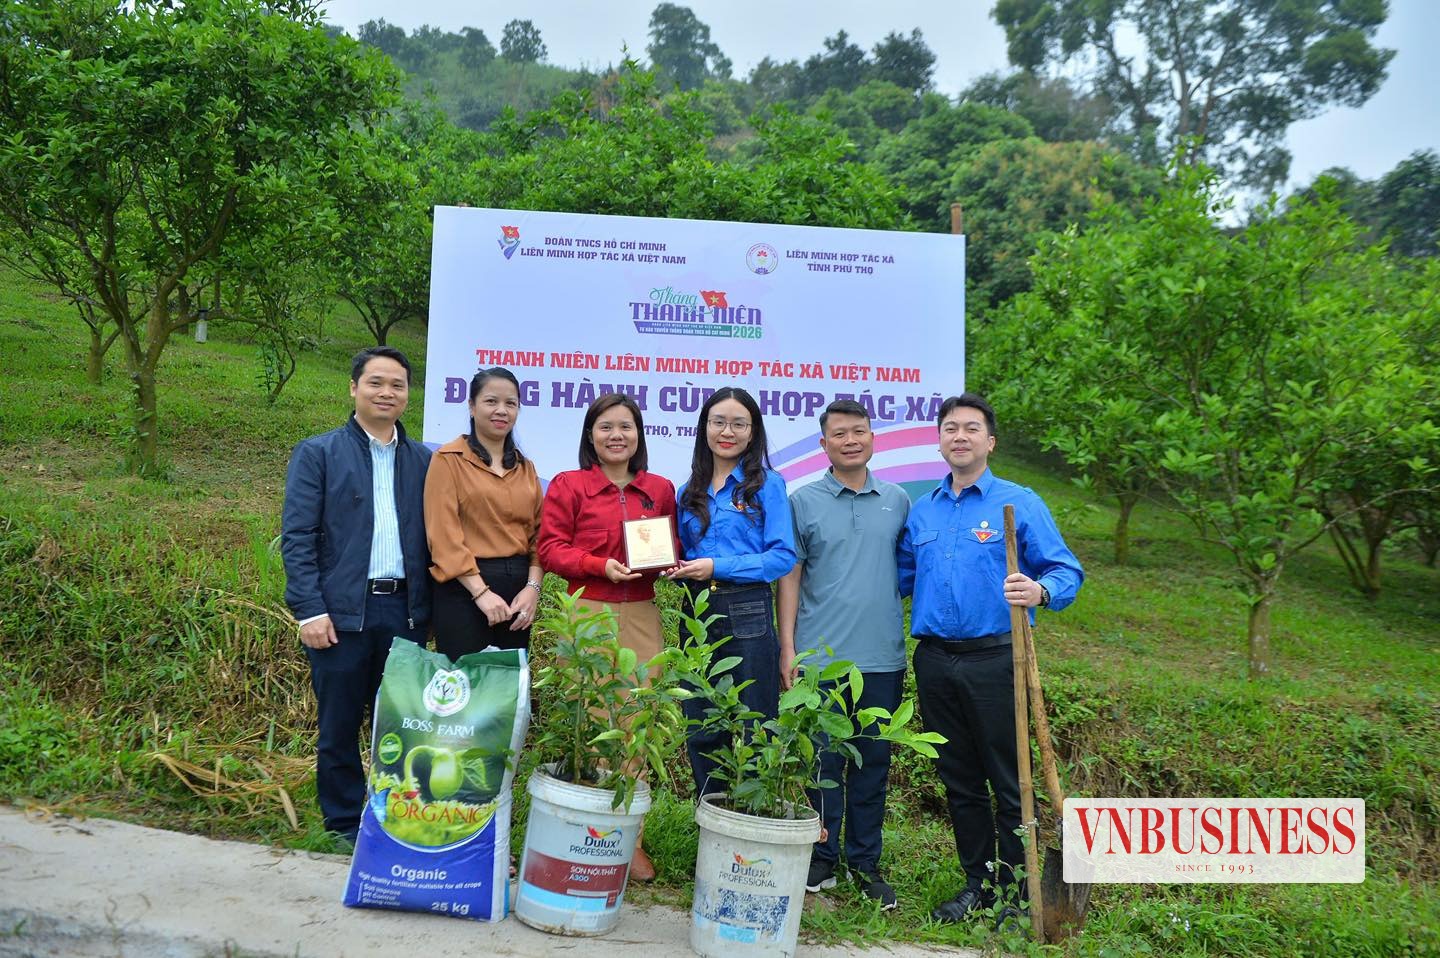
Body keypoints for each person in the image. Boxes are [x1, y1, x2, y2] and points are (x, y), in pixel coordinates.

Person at [897, 392, 1084, 925]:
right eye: (951, 428)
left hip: (998, 660)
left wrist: (1041, 591)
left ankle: (1020, 891)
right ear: (938, 440)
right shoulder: (923, 509)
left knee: (1009, 779)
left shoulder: (1018, 502)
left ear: (990, 441)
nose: (960, 436)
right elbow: (902, 579)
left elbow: (1065, 570)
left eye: (971, 428)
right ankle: (979, 883)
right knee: (958, 779)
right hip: (935, 661)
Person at [281, 346, 432, 845]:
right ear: (353, 388)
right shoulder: (319, 453)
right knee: (340, 725)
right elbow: (298, 538)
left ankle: (393, 819)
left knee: (399, 726)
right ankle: (343, 823)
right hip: (341, 613)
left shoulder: (423, 461)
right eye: (376, 383)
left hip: (405, 612)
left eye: (397, 385)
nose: (387, 393)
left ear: (408, 395)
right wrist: (310, 609)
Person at [537, 392, 680, 881]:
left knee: (639, 722)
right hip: (589, 613)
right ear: (590, 436)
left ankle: (629, 841)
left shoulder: (658, 489)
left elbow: (669, 546)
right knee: (589, 718)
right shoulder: (569, 485)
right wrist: (598, 566)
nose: (617, 435)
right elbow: (551, 549)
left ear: (639, 435)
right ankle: (586, 835)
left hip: (642, 612)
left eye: (626, 427)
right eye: (606, 427)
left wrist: (669, 562)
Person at [776, 399, 910, 910]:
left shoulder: (897, 500)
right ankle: (821, 859)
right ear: (823, 443)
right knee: (822, 764)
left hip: (881, 660)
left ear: (873, 437)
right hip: (818, 661)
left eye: (860, 431)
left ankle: (865, 864)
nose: (851, 440)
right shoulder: (802, 501)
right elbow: (791, 576)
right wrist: (788, 648)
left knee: (873, 763)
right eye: (840, 433)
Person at [666, 386, 796, 801]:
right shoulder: (689, 490)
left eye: (739, 423)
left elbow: (781, 558)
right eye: (718, 422)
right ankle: (713, 818)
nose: (727, 431)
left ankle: (751, 821)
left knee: (753, 720)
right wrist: (670, 565)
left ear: (752, 431)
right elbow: (680, 552)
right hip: (697, 609)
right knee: (701, 721)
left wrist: (716, 566)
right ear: (704, 427)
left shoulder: (768, 485)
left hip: (748, 610)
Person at [424, 367, 543, 659]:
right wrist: (480, 593)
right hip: (463, 589)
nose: (501, 410)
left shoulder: (525, 468)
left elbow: (540, 535)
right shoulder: (448, 460)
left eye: (510, 403)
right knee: (464, 691)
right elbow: (443, 536)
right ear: (472, 406)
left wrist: (532, 589)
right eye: (491, 401)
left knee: (506, 692)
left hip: (517, 591)